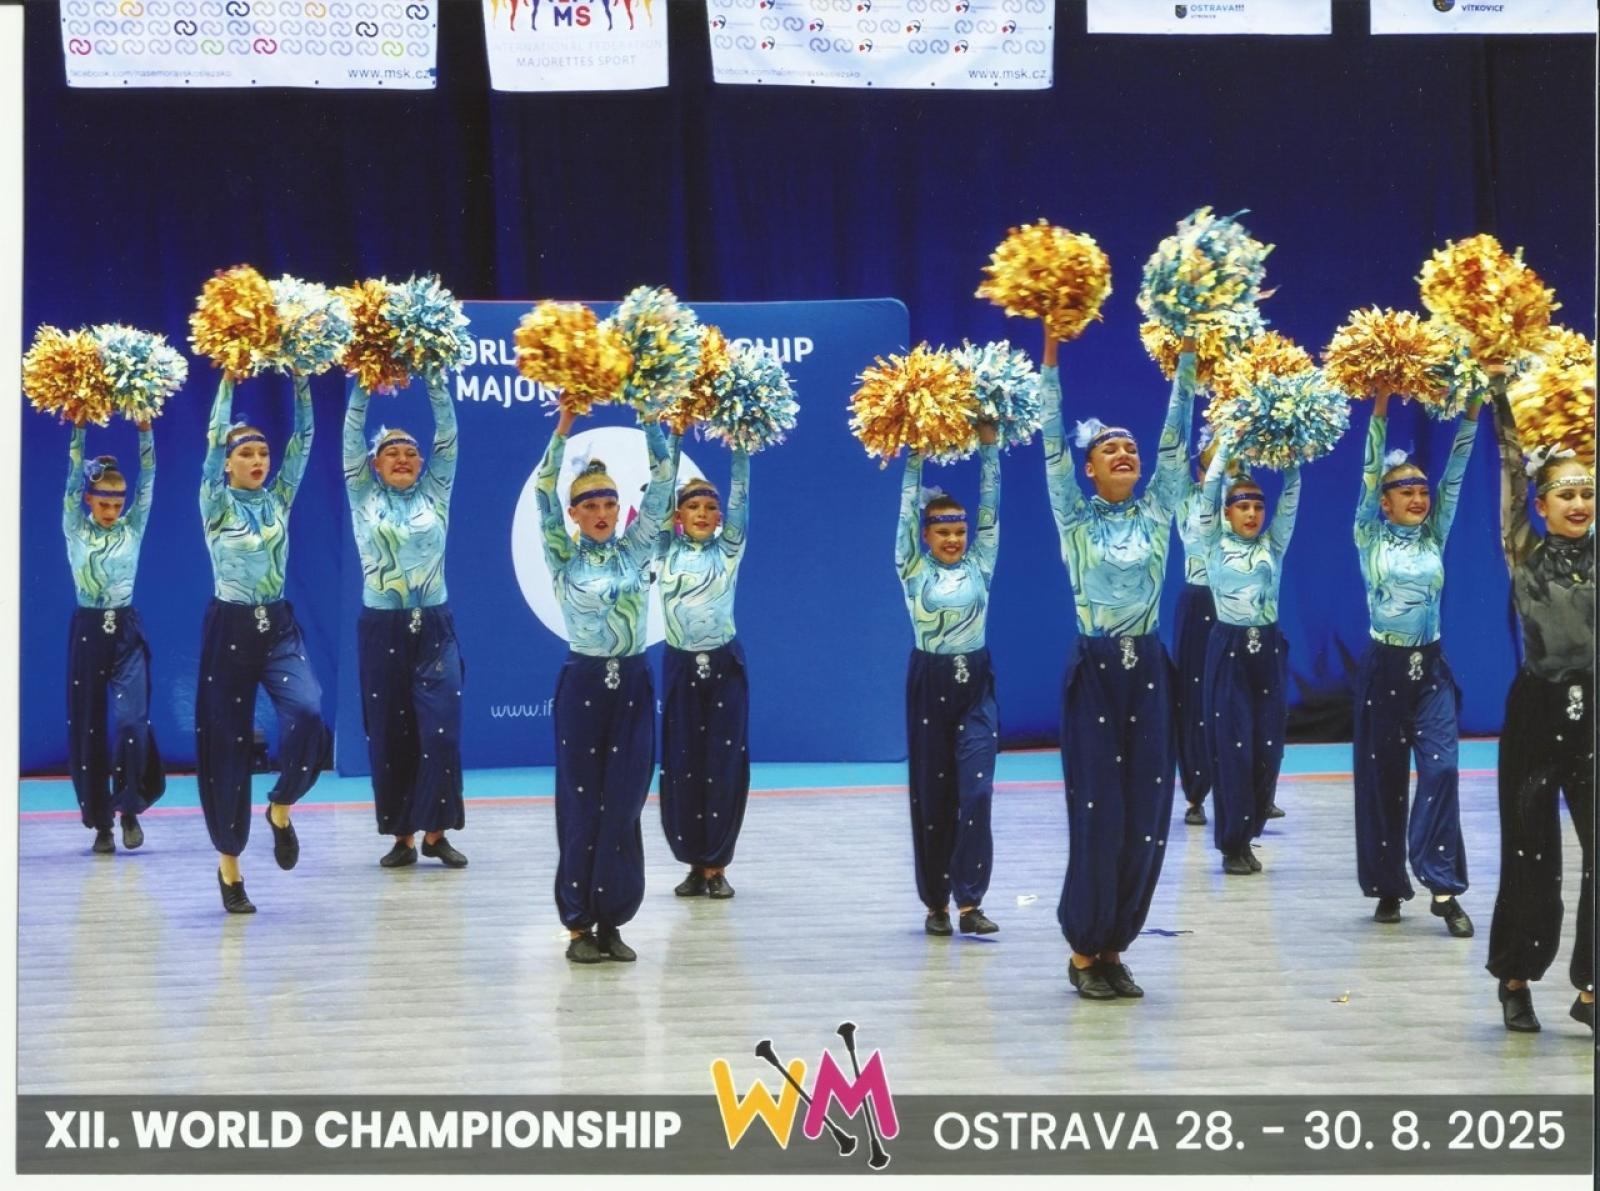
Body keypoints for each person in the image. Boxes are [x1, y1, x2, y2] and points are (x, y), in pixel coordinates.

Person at [1041, 328, 1195, 1000]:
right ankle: (1083, 948)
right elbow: (1050, 442)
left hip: (1151, 670)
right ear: (1090, 471)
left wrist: (1186, 358)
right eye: (1111, 449)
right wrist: (1050, 353)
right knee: (1099, 811)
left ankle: (1116, 944)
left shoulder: (1160, 510)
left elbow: (1175, 438)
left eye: (1131, 447)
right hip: (1097, 672)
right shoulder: (1074, 518)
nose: (1127, 453)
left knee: (1146, 812)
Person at [535, 402, 672, 963]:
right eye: (590, 503)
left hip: (634, 683)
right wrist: (565, 424)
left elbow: (663, 481)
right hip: (584, 683)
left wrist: (651, 419)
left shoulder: (637, 549)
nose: (601, 510)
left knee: (624, 804)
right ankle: (576, 924)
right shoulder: (563, 554)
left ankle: (612, 919)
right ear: (574, 514)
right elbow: (545, 486)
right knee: (580, 804)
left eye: (609, 502)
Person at [196, 376, 331, 914]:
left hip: (276, 626)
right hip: (228, 630)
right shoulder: (215, 502)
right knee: (226, 748)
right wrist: (226, 376)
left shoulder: (280, 497)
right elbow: (211, 438)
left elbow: (305, 438)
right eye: (246, 453)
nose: (258, 460)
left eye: (262, 453)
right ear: (228, 463)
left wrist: (300, 381)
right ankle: (230, 869)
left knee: (309, 711)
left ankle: (281, 804)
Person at [1351, 389, 1481, 936]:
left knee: (1443, 768)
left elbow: (1455, 473)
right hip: (1384, 669)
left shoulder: (1436, 533)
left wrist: (1472, 407)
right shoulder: (1367, 534)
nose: (1420, 496)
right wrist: (1379, 406)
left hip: (1430, 669)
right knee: (1382, 781)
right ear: (1385, 501)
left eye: (1422, 489)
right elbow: (1366, 470)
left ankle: (1443, 886)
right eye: (1406, 488)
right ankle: (1387, 885)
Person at [1485, 398, 1594, 1033]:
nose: (1579, 505)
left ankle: (1591, 992)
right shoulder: (1523, 550)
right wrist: (1502, 395)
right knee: (1532, 853)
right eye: (1565, 495)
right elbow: (1510, 472)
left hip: (1595, 714)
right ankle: (1516, 977)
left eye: (1588, 492)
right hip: (1535, 714)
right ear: (1542, 505)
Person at [343, 373, 466, 871]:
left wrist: (435, 376)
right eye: (391, 453)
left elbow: (448, 434)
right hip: (381, 628)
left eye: (410, 453)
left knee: (440, 732)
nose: (402, 458)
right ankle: (402, 836)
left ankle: (437, 833)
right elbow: (351, 432)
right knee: (391, 733)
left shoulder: (436, 492)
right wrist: (367, 380)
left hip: (434, 626)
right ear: (374, 464)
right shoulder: (362, 494)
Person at [897, 425, 1002, 938]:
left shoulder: (982, 561)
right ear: (925, 536)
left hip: (976, 683)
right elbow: (902, 513)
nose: (955, 539)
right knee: (931, 794)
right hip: (929, 683)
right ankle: (936, 901)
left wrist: (988, 447)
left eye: (960, 531)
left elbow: (991, 506)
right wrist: (913, 459)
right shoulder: (911, 567)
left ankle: (971, 901)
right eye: (943, 532)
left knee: (977, 792)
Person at [1193, 433, 1301, 875]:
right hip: (1229, 650)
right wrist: (1225, 447)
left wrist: (1293, 452)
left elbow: (1291, 495)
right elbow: (1206, 494)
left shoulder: (1273, 545)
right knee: (1233, 748)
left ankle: (1249, 831)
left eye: (1258, 506)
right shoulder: (1213, 543)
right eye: (1242, 506)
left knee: (1268, 747)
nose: (1253, 513)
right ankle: (1232, 843)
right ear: (1226, 512)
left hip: (1268, 650)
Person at [62, 418, 165, 853]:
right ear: (88, 499)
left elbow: (150, 476)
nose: (113, 510)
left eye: (118, 502)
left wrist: (145, 431)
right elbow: (70, 476)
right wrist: (79, 428)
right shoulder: (74, 526)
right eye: (104, 503)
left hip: (125, 629)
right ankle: (100, 823)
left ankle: (128, 810)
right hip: (88, 629)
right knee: (87, 728)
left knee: (129, 723)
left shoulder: (133, 526)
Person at [658, 431, 751, 900]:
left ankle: (718, 863)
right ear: (677, 516)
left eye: (710, 509)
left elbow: (741, 491)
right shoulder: (663, 549)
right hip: (678, 665)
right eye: (693, 507)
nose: (703, 514)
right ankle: (694, 863)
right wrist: (673, 434)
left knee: (723, 763)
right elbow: (661, 482)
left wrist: (739, 438)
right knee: (683, 764)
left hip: (725, 665)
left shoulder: (729, 550)